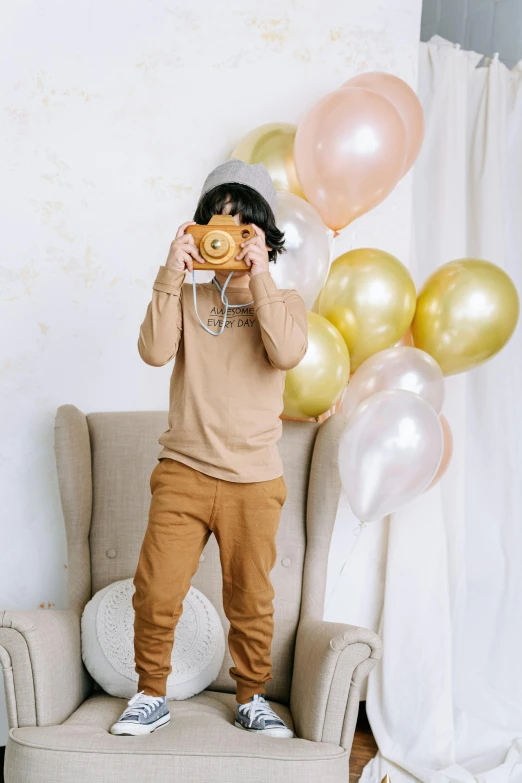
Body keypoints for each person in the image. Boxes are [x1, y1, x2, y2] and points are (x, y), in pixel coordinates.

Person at [110, 159, 308, 738]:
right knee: (156, 590)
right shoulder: (187, 295)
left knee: (251, 599)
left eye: (244, 225)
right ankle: (150, 694)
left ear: (266, 237)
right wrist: (170, 272)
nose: (228, 234)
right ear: (199, 230)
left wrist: (260, 276)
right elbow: (152, 351)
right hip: (184, 472)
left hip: (254, 478)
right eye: (217, 222)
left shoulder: (286, 299)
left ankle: (251, 697)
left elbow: (288, 353)